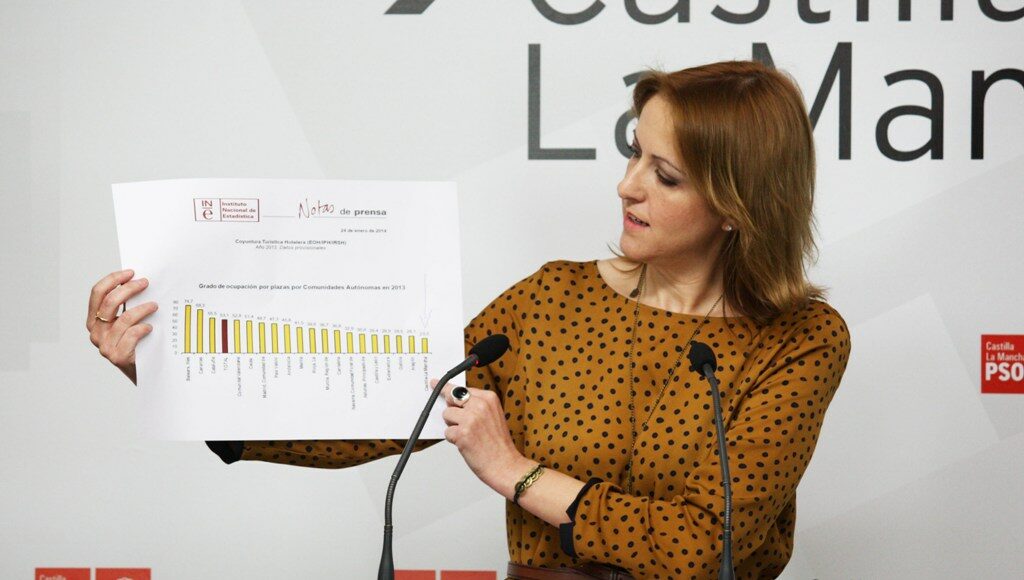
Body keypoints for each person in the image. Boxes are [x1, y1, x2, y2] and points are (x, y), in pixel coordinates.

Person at [87, 60, 851, 579]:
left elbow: (700, 545)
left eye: (666, 174)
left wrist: (513, 471)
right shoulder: (552, 299)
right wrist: (170, 371)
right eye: (633, 155)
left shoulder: (803, 340)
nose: (627, 186)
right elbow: (382, 412)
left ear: (737, 205)